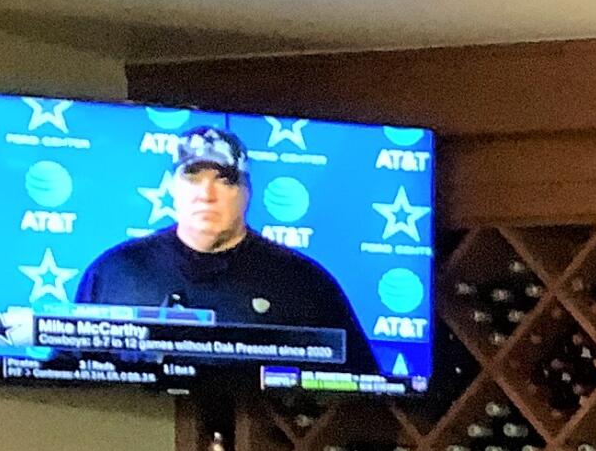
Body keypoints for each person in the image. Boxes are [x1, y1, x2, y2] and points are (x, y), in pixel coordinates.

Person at [75, 126, 375, 374]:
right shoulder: (117, 270)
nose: (207, 195)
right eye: (193, 177)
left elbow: (362, 386)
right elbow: (70, 373)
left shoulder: (303, 282)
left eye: (224, 180)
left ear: (247, 192)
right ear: (171, 188)